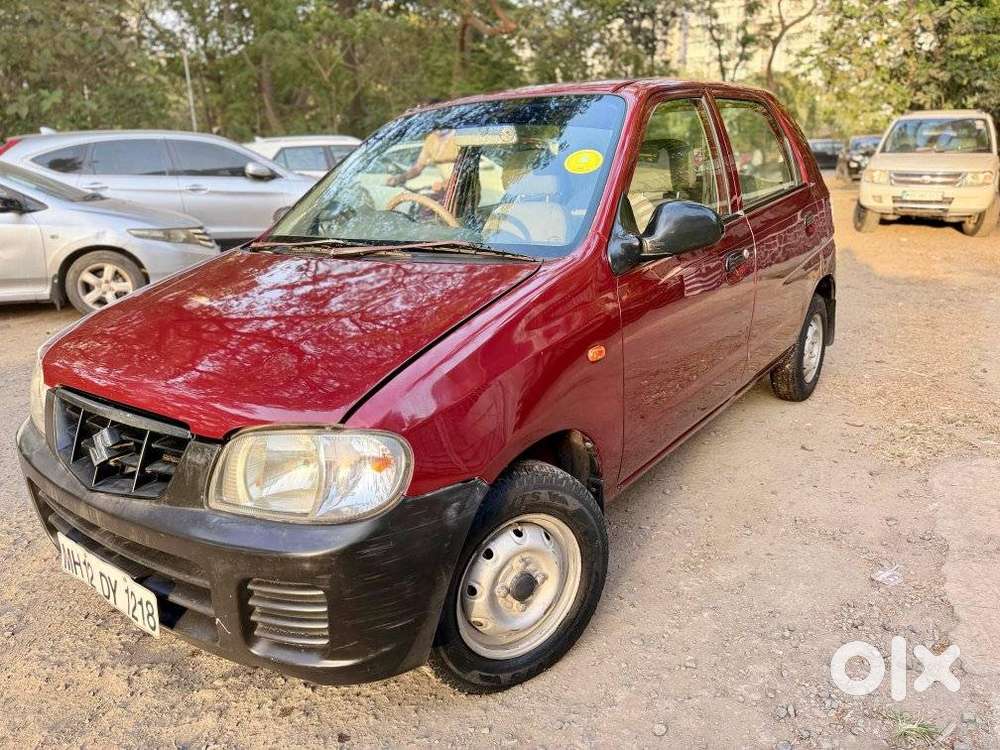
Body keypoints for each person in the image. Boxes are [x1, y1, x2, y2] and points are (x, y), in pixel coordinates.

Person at [385, 128, 458, 194]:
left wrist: (448, 183)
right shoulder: (431, 139)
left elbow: (466, 166)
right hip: (448, 189)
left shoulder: (459, 135)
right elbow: (417, 168)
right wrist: (400, 178)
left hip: (462, 187)